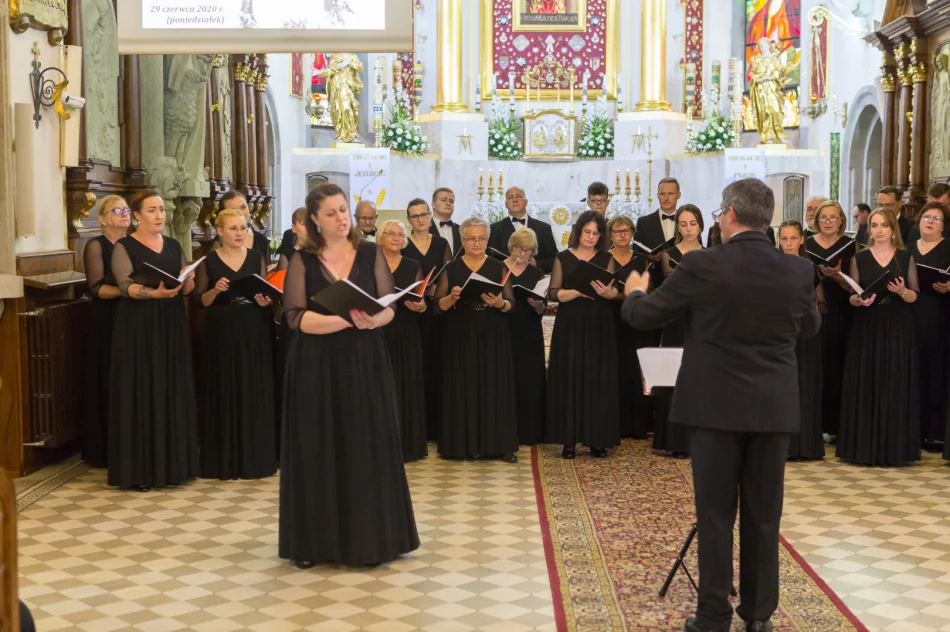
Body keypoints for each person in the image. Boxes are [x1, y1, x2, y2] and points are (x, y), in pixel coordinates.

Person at [621, 178, 821, 632]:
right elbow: (809, 327)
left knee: (715, 516)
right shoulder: (796, 270)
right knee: (764, 517)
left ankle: (713, 616)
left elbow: (644, 316)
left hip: (714, 410)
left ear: (729, 214)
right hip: (772, 409)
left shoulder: (703, 265)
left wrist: (635, 289)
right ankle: (758, 617)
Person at [279, 183, 419, 567]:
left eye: (344, 210)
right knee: (318, 444)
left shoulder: (370, 251)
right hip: (316, 365)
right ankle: (313, 543)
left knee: (365, 442)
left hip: (364, 360)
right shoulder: (301, 261)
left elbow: (390, 307)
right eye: (331, 213)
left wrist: (375, 317)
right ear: (315, 221)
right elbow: (294, 318)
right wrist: (343, 320)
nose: (342, 218)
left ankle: (372, 539)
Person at [107, 189, 200, 491]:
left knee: (171, 386)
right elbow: (125, 286)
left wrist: (189, 281)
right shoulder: (125, 246)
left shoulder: (173, 245)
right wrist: (154, 294)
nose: (160, 215)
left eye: (161, 209)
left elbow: (186, 289)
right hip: (138, 326)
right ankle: (140, 471)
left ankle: (174, 466)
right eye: (152, 210)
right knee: (142, 387)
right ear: (136, 215)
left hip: (171, 324)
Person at [194, 209, 276, 480]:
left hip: (253, 327)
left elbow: (265, 295)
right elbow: (201, 301)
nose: (240, 233)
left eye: (243, 228)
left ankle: (255, 457)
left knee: (252, 388)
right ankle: (224, 459)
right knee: (225, 387)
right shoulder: (209, 260)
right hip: (222, 330)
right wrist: (216, 291)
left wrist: (266, 301)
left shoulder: (256, 258)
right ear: (219, 231)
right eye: (233, 228)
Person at [837, 208, 921, 467]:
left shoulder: (905, 256)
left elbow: (915, 296)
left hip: (897, 325)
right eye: (874, 225)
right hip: (868, 325)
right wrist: (858, 299)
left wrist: (903, 290)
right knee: (868, 379)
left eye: (884, 225)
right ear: (869, 229)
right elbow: (852, 295)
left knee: (894, 380)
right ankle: (863, 447)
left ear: (892, 228)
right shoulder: (860, 257)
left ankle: (894, 448)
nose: (879, 230)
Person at [434, 217, 519, 462]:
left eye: (482, 238)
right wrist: (451, 298)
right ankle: (461, 444)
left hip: (492, 330)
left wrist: (499, 303)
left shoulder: (498, 266)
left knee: (494, 385)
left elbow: (512, 305)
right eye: (471, 238)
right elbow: (437, 306)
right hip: (460, 331)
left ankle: (499, 444)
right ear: (462, 240)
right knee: (463, 385)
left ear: (488, 239)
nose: (477, 243)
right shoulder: (452, 268)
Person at [546, 211, 622, 459]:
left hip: (599, 321)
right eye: (586, 232)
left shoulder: (606, 258)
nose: (590, 237)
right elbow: (553, 293)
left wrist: (610, 294)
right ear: (578, 232)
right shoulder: (562, 258)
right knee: (570, 376)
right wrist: (575, 291)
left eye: (595, 233)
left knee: (597, 377)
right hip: (571, 322)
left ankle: (597, 439)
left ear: (601, 236)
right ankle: (568, 440)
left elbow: (615, 291)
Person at [81, 195, 130, 468]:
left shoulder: (133, 244)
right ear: (102, 218)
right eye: (116, 210)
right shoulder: (96, 246)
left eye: (126, 210)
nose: (124, 214)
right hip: (108, 319)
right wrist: (131, 291)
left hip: (131, 315)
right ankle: (106, 449)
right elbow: (96, 287)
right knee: (108, 377)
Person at [653, 205, 704, 458]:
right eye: (683, 224)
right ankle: (675, 440)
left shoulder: (711, 254)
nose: (688, 229)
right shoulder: (669, 254)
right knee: (674, 376)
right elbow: (671, 286)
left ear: (700, 225)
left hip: (702, 323)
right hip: (676, 321)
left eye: (692, 223)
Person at [378, 219, 429, 462]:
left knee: (406, 385)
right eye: (391, 233)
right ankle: (379, 445)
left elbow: (422, 302)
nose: (397, 237)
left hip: (406, 330)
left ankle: (408, 444)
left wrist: (419, 306)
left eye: (400, 234)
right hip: (377, 331)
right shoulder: (369, 264)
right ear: (380, 238)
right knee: (379, 387)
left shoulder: (412, 265)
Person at [403, 198, 453, 441]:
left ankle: (435, 426)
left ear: (430, 215)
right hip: (409, 312)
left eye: (424, 214)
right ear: (409, 220)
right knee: (413, 367)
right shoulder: (402, 244)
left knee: (435, 365)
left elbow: (449, 272)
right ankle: (415, 426)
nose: (421, 219)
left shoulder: (441, 243)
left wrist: (438, 292)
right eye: (415, 216)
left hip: (436, 312)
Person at [805, 201, 853, 441]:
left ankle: (834, 426)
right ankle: (814, 425)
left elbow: (856, 285)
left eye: (833, 217)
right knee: (815, 363)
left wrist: (837, 276)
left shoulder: (851, 246)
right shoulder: (806, 244)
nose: (828, 221)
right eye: (824, 217)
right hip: (812, 307)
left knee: (836, 364)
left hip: (842, 308)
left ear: (841, 220)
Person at [779, 220, 826, 460]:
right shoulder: (771, 267)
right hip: (780, 335)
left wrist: (809, 311)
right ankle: (782, 446)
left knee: (805, 386)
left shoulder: (810, 267)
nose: (788, 244)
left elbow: (821, 303)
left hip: (805, 334)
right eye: (783, 238)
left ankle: (805, 445)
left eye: (792, 238)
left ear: (800, 240)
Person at [908, 202, 950, 448]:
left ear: (943, 225)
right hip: (911, 315)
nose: (930, 221)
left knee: (935, 369)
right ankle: (913, 428)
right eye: (926, 216)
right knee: (913, 370)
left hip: (940, 316)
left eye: (937, 218)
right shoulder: (907, 248)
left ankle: (934, 432)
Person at [607, 215, 651, 438]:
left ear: (633, 233)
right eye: (617, 231)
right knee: (613, 368)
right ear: (611, 235)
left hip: (634, 317)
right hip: (610, 317)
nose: (622, 235)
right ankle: (614, 423)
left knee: (634, 368)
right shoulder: (604, 258)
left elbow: (647, 287)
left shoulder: (641, 258)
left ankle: (635, 425)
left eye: (626, 231)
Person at [502, 227, 547, 445]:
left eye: (528, 251)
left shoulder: (536, 274)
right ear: (511, 247)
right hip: (504, 326)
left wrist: (537, 304)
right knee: (506, 376)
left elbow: (542, 310)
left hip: (529, 329)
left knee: (529, 377)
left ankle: (530, 431)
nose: (523, 254)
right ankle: (506, 429)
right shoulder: (498, 268)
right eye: (520, 249)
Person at [487, 186, 559, 273]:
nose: (515, 200)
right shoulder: (494, 229)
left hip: (535, 279)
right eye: (510, 197)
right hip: (506, 280)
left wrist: (537, 263)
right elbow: (490, 260)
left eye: (518, 196)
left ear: (526, 202)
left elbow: (555, 259)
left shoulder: (544, 228)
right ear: (505, 204)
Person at [218, 190, 271, 261]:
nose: (240, 213)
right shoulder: (218, 243)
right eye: (233, 210)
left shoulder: (262, 240)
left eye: (243, 207)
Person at [429, 187, 462, 255]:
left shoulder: (461, 230)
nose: (448, 203)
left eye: (451, 201)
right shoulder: (424, 229)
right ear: (433, 204)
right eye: (444, 200)